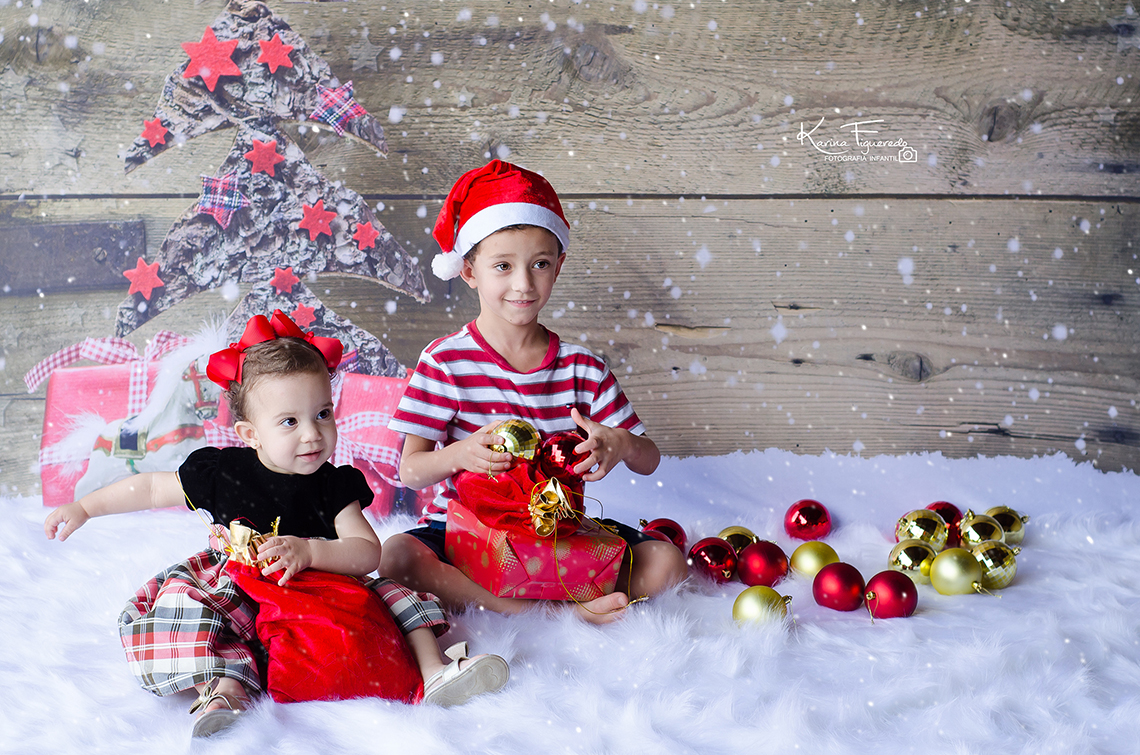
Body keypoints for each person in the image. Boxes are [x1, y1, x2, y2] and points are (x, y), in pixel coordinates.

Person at [43, 311, 509, 739]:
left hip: (324, 588)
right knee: (202, 613)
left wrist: (311, 552)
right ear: (250, 434)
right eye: (289, 421)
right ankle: (225, 690)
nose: (312, 433)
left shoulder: (332, 485)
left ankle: (435, 672)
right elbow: (148, 488)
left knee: (393, 596)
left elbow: (367, 550)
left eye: (323, 414)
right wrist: (83, 508)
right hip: (244, 584)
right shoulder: (224, 474)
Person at [382, 160, 689, 625]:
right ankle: (542, 610)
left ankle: (560, 593)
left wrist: (619, 443)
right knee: (395, 557)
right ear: (469, 271)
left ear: (558, 266)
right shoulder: (445, 363)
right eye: (502, 266)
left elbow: (649, 458)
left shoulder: (581, 367)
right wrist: (462, 453)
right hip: (475, 535)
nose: (523, 284)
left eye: (539, 264)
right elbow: (410, 471)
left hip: (563, 534)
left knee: (669, 564)